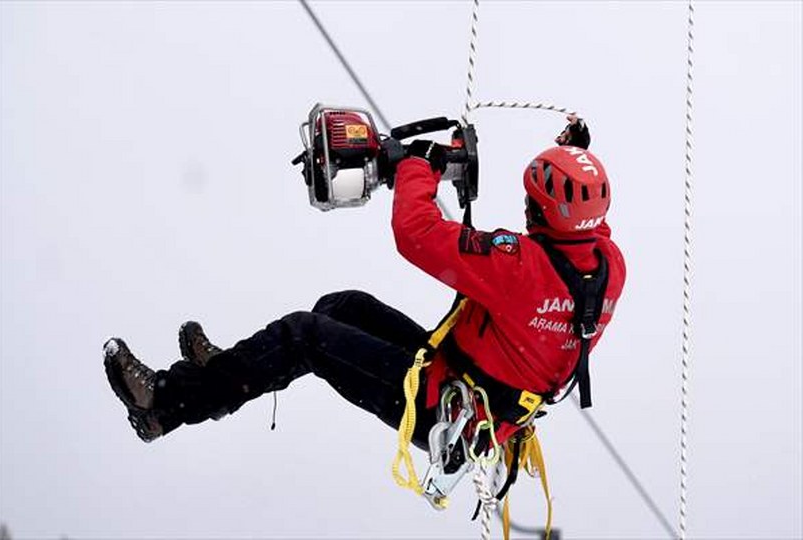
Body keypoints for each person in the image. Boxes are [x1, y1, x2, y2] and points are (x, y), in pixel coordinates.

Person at [104, 117, 626, 452]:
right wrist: (572, 151)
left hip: (441, 408)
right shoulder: (608, 267)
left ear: (541, 210)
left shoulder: (522, 267)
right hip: (476, 387)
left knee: (304, 336)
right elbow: (578, 225)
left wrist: (417, 169)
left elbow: (418, 235)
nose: (526, 208)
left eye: (532, 201)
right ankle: (228, 374)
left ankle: (168, 405)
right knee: (342, 306)